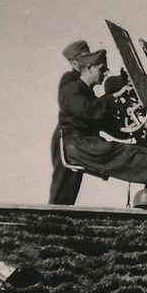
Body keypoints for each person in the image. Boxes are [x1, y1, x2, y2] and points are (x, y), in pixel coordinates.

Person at [55, 47, 147, 201]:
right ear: (89, 69)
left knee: (136, 150)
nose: (105, 73)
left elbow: (103, 122)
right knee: (125, 155)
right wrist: (114, 97)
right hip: (77, 144)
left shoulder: (86, 92)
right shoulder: (72, 89)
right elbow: (88, 112)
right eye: (102, 69)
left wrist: (130, 130)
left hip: (83, 142)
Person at [49, 40, 91, 205]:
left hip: (74, 138)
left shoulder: (80, 80)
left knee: (72, 183)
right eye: (84, 57)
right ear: (75, 62)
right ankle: (53, 220)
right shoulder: (70, 79)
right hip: (65, 137)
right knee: (62, 184)